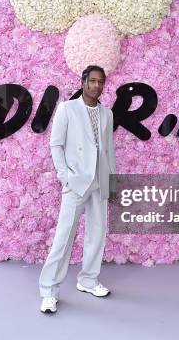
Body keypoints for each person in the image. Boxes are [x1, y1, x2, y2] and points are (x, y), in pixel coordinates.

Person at [39, 65, 117, 314]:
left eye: (100, 82)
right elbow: (56, 145)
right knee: (64, 238)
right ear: (83, 82)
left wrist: (112, 182)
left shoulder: (107, 114)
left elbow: (109, 151)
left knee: (97, 233)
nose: (96, 85)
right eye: (92, 80)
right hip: (77, 182)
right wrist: (66, 177)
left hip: (100, 180)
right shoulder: (67, 109)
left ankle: (88, 280)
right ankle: (49, 291)